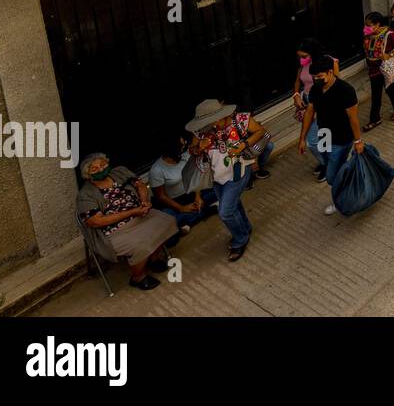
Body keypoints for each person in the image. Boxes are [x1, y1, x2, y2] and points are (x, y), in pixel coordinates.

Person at [76, 153, 178, 290]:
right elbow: (95, 221)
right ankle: (138, 277)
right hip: (115, 231)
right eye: (94, 169)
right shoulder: (85, 194)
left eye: (102, 165)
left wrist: (144, 201)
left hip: (140, 215)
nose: (100, 170)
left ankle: (152, 258)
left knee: (168, 221)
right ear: (87, 175)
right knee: (141, 245)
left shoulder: (119, 172)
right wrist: (132, 212)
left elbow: (140, 185)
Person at [186, 99, 263, 261]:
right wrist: (199, 147)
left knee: (225, 212)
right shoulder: (200, 131)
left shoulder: (240, 120)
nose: (209, 127)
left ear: (220, 117)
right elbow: (192, 150)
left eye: (211, 123)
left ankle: (241, 239)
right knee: (232, 204)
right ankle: (245, 228)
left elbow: (260, 132)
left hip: (237, 172)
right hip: (215, 176)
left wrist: (244, 144)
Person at [298, 64, 365, 216]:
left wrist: (358, 141)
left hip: (341, 139)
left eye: (320, 76)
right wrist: (303, 137)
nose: (316, 80)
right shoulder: (316, 89)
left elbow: (353, 118)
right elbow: (310, 111)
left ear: (330, 72)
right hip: (324, 134)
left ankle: (340, 202)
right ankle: (349, 186)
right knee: (329, 164)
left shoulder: (345, 90)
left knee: (331, 176)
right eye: (314, 77)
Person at [148, 134, 217, 233]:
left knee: (219, 188)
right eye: (181, 146)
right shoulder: (156, 170)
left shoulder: (186, 156)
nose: (184, 146)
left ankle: (190, 220)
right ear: (171, 150)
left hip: (192, 193)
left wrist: (198, 197)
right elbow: (161, 196)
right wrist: (181, 208)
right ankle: (207, 210)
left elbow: (195, 177)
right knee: (168, 218)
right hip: (175, 202)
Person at [293, 39, 338, 179]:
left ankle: (328, 164)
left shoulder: (328, 62)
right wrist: (296, 95)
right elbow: (297, 80)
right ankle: (325, 162)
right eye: (300, 57)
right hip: (306, 102)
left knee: (313, 141)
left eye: (305, 56)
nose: (302, 59)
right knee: (316, 137)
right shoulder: (303, 64)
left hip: (323, 104)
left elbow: (335, 83)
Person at [362, 11, 394, 130]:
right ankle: (375, 119)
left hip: (386, 68)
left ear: (377, 24)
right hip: (373, 69)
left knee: (391, 90)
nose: (366, 27)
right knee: (376, 94)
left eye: (369, 25)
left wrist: (389, 54)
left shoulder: (389, 34)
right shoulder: (368, 35)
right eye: (365, 25)